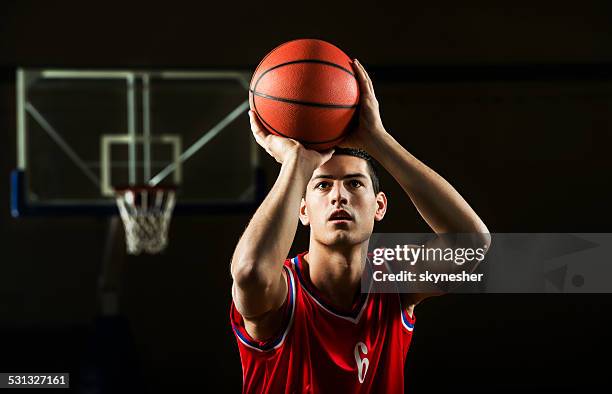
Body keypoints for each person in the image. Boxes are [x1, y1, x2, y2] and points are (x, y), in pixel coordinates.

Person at [229, 58, 490, 393]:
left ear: (379, 206)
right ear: (302, 210)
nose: (339, 196)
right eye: (323, 185)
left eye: (354, 184)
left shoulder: (392, 282)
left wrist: (377, 140)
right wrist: (295, 162)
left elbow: (471, 244)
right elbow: (249, 272)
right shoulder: (283, 294)